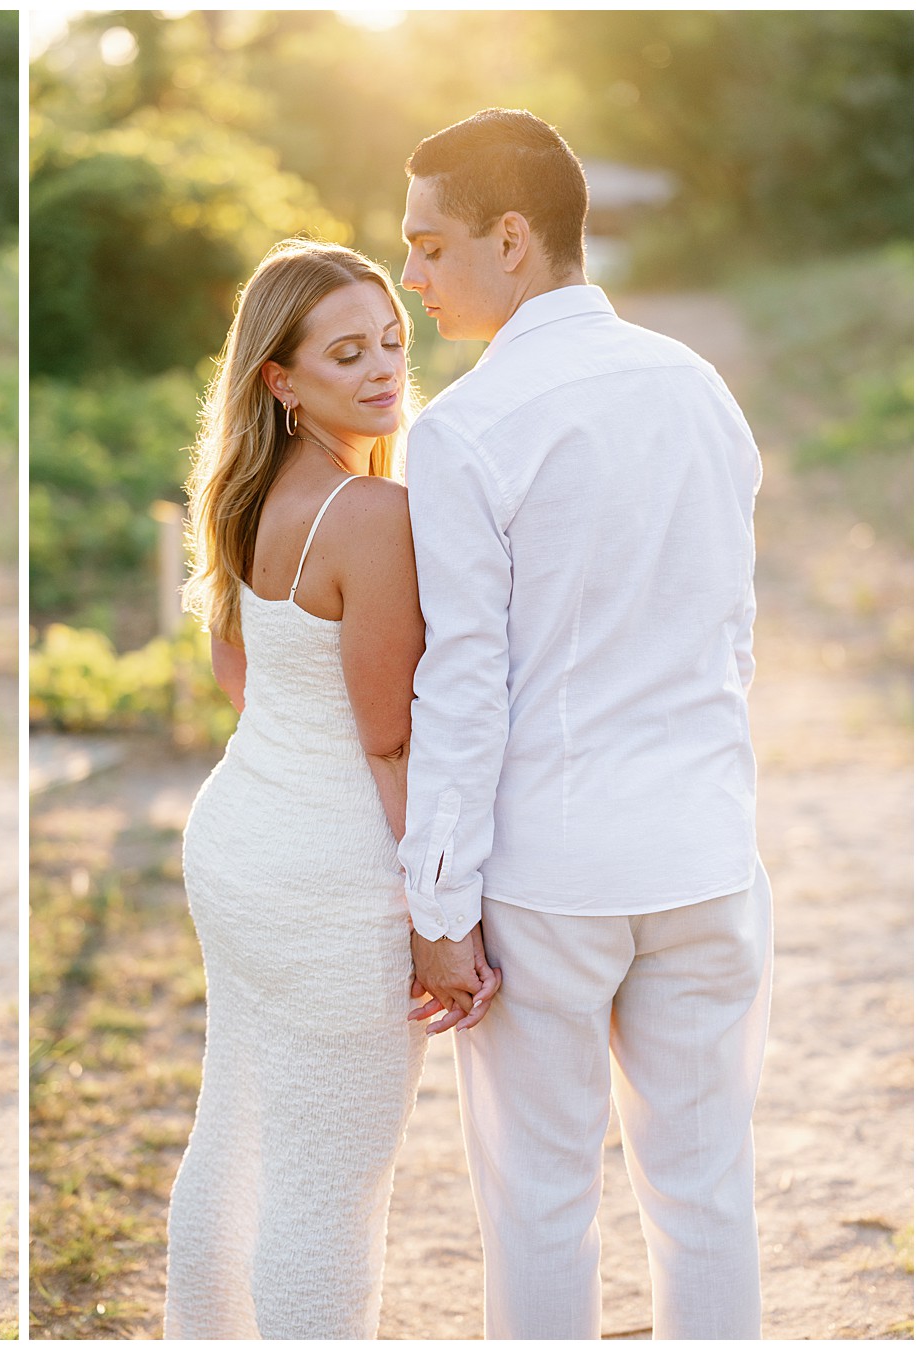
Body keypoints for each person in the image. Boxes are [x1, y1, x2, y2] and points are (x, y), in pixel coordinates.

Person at [398, 108, 768, 1339]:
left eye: (431, 246)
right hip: (707, 855)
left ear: (513, 238)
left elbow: (463, 684)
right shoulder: (699, 388)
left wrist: (438, 909)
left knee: (541, 1206)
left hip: (556, 876)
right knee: (707, 1196)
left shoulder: (463, 428)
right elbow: (731, 630)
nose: (413, 277)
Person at [165, 239, 500, 1338]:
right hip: (329, 874)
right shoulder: (371, 516)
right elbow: (391, 738)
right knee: (331, 1186)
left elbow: (240, 677)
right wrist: (436, 919)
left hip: (242, 833)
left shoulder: (242, 496)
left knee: (239, 1126)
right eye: (346, 352)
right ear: (282, 378)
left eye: (393, 343)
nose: (383, 370)